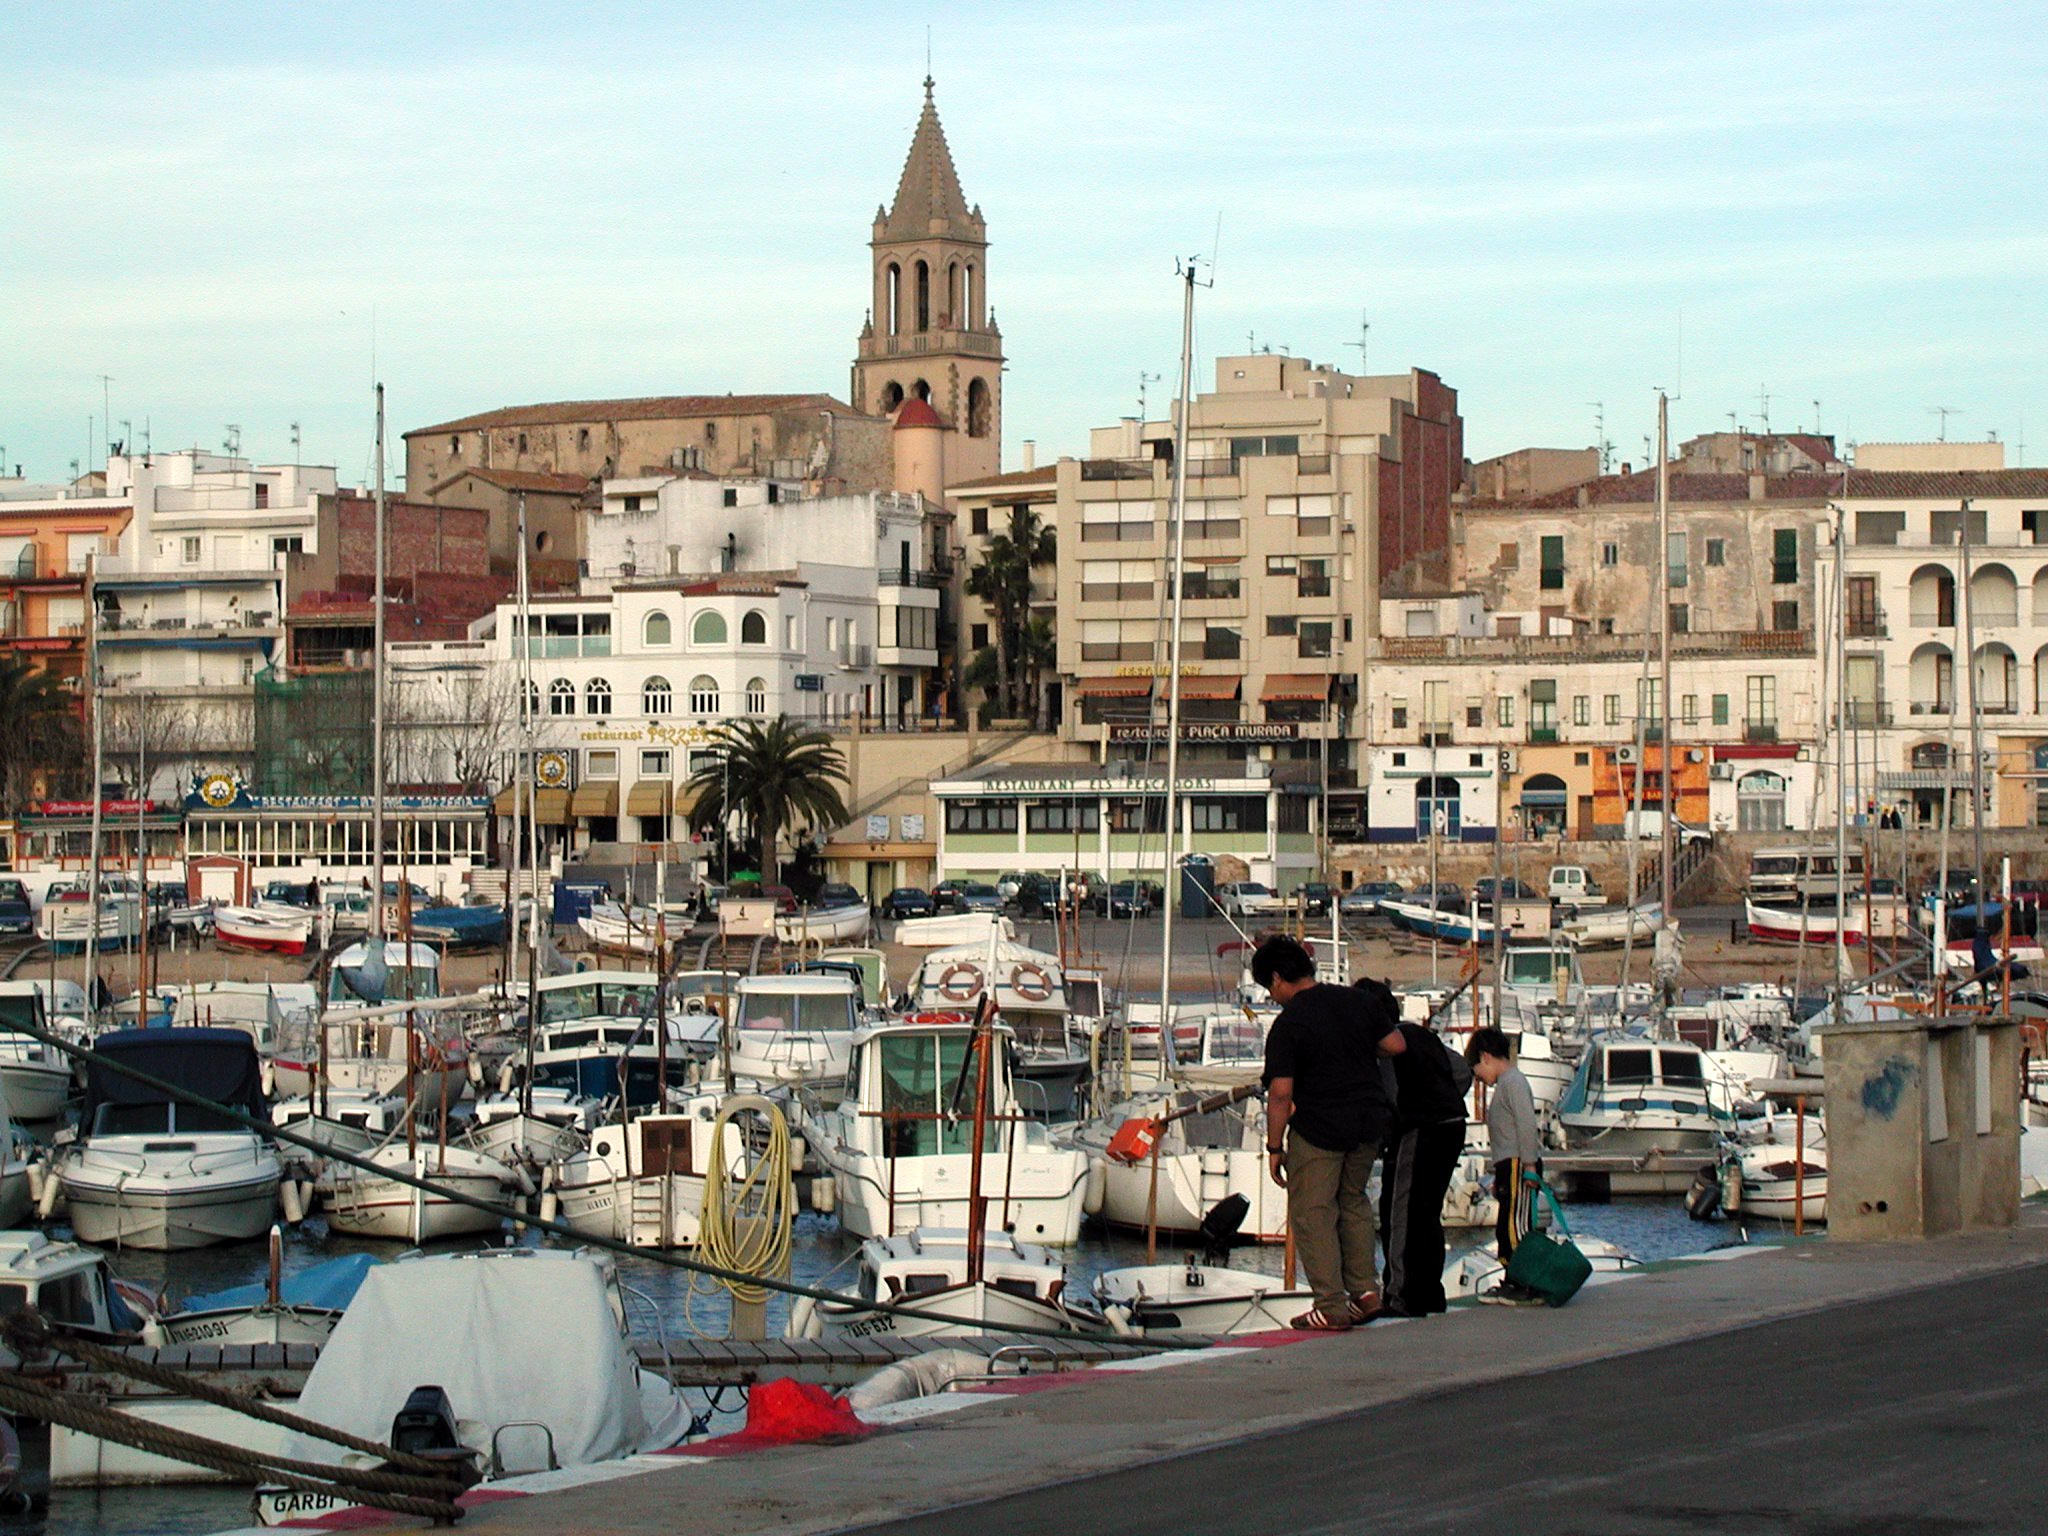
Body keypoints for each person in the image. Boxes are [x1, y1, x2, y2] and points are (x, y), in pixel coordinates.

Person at [1255, 934, 1404, 1331]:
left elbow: (1281, 1093)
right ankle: (1366, 1293)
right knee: (1353, 1202)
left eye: (1269, 987)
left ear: (1277, 978)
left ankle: (1330, 1305)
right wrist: (1357, 1051)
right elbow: (1396, 1044)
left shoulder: (1289, 1024)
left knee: (1313, 1213)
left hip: (1319, 1126)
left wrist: (1274, 1147)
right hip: (1368, 1122)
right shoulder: (1358, 1001)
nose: (1272, 996)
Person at [1375, 991, 1470, 1317]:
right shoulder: (1419, 1034)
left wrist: (1393, 1124)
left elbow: (1391, 1095)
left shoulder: (1385, 1045)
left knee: (1400, 1212)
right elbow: (1462, 1070)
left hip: (1419, 1127)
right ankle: (1430, 1292)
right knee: (1428, 1212)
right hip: (1452, 1124)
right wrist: (1445, 1097)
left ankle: (1400, 1295)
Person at [1465, 1026, 1544, 1306]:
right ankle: (1513, 1278)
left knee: (1515, 1226)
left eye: (1477, 1071)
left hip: (1518, 1164)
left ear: (1485, 1057)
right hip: (1508, 1165)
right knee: (1506, 1225)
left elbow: (1526, 1125)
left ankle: (1524, 1283)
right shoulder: (1507, 1084)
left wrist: (1530, 1165)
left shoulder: (1513, 1083)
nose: (1479, 1078)